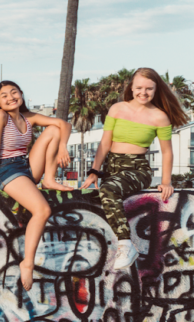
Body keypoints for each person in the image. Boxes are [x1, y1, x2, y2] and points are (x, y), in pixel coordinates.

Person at [80, 68, 187, 271]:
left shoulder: (159, 116)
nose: (143, 93)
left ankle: (125, 243)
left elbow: (167, 152)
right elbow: (105, 142)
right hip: (112, 166)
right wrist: (94, 171)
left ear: (156, 89)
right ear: (131, 87)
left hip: (137, 168)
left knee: (109, 190)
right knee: (91, 196)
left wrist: (166, 181)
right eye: (139, 88)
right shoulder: (117, 109)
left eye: (149, 89)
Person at [0, 80, 72, 290]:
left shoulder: (29, 117)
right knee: (42, 210)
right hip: (7, 169)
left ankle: (49, 178)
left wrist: (63, 146)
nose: (10, 97)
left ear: (21, 94)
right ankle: (27, 262)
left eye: (14, 92)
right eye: (4, 95)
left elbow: (65, 124)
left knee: (55, 130)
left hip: (26, 166)